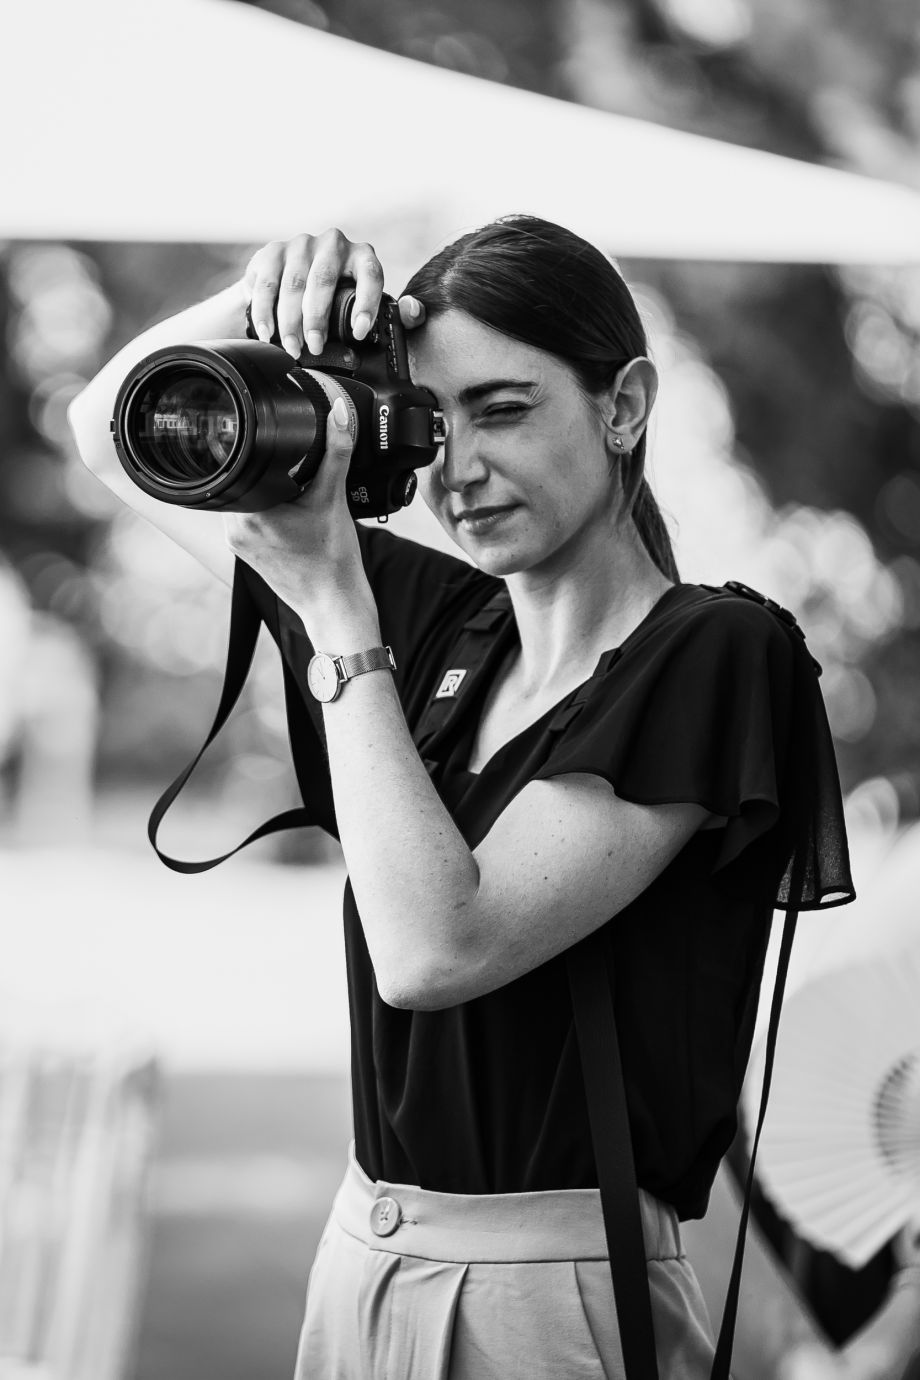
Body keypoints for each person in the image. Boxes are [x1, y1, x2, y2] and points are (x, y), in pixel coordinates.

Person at [69, 217, 855, 1379]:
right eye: (432, 423)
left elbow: (435, 949)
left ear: (623, 406)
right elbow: (108, 426)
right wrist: (275, 298)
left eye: (503, 410)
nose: (458, 472)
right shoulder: (442, 626)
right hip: (360, 1259)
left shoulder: (712, 652)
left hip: (553, 1298)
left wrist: (338, 618)